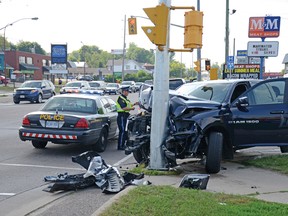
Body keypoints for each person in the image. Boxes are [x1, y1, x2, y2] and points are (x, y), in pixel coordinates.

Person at [116, 86, 138, 150]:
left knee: (125, 131)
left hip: (125, 116)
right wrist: (132, 108)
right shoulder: (121, 99)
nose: (128, 93)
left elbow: (128, 105)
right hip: (122, 116)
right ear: (124, 92)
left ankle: (123, 144)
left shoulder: (125, 98)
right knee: (122, 131)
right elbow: (124, 108)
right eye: (127, 91)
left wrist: (134, 104)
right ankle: (120, 146)